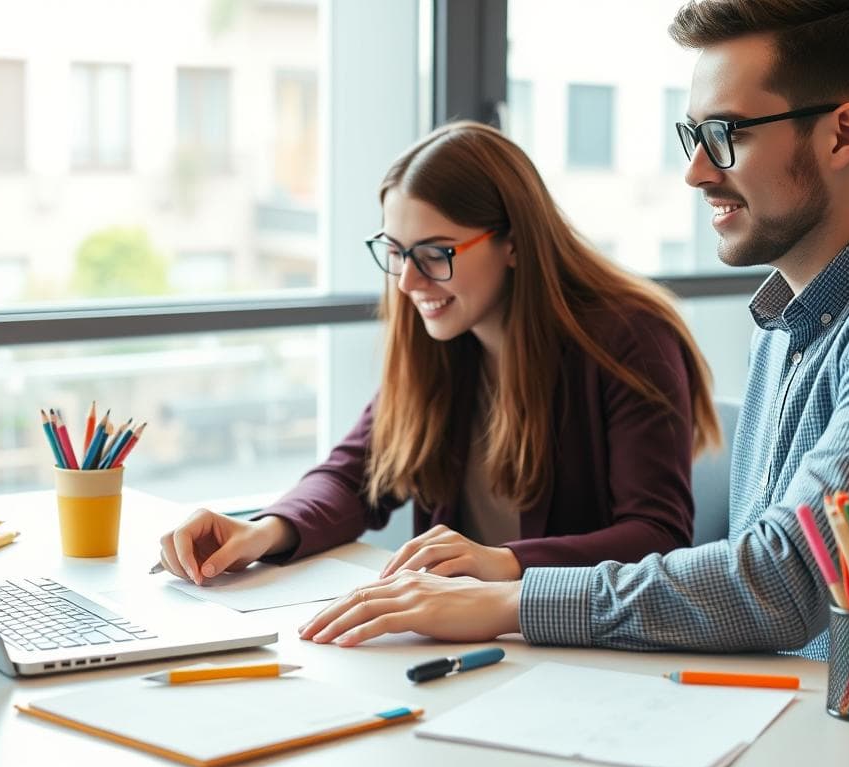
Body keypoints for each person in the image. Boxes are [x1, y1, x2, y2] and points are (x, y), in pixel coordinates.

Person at [298, 0, 849, 710]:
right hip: (768, 715)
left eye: (725, 134)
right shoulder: (788, 323)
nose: (696, 170)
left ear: (842, 135)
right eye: (691, 136)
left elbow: (785, 578)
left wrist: (511, 598)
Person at [156, 121, 720, 587]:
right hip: (464, 635)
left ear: (515, 243)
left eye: (434, 253)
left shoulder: (629, 338)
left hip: (580, 647)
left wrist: (503, 562)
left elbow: (656, 536)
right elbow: (355, 475)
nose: (407, 282)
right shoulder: (444, 337)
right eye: (396, 252)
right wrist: (264, 530)